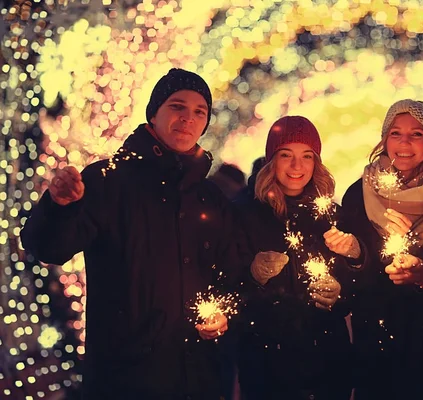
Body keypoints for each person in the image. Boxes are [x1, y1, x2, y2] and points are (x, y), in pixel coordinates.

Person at [21, 68, 245, 400]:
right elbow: (49, 247)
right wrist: (59, 206)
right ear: (154, 113)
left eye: (200, 112)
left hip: (198, 378)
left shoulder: (209, 198)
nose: (188, 118)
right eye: (177, 106)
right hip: (126, 377)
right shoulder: (108, 181)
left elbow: (230, 272)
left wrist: (225, 311)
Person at [337, 99, 423, 399]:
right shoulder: (358, 195)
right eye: (395, 133)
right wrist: (356, 256)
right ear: (385, 140)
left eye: (416, 134)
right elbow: (350, 278)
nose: (404, 142)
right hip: (374, 342)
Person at [234, 116, 360, 400]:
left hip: (329, 367)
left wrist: (340, 292)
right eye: (285, 155)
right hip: (268, 370)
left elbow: (357, 285)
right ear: (271, 160)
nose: (297, 166)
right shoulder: (243, 215)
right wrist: (253, 275)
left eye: (307, 156)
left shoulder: (332, 216)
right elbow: (225, 284)